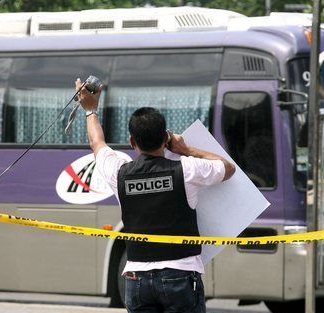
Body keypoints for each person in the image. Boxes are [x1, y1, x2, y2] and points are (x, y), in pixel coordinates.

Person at [75, 78, 235, 313]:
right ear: (165, 139)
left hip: (137, 278)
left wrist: (90, 109)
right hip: (180, 275)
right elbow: (227, 168)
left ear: (132, 142)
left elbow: (96, 142)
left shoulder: (120, 173)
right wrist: (186, 150)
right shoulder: (187, 169)